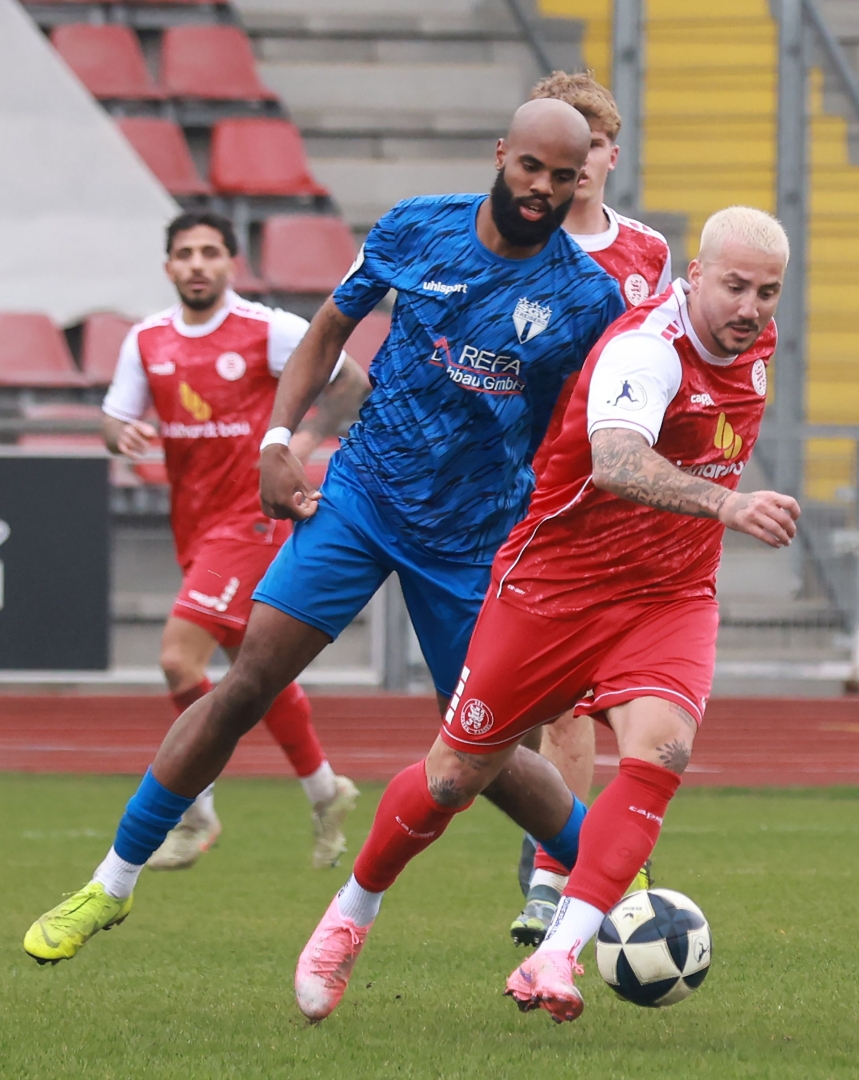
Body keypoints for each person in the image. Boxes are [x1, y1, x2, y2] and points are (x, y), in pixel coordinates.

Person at [23, 97, 625, 966]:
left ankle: (622, 882)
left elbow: (589, 427)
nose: (541, 188)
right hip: (362, 499)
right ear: (501, 154)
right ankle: (110, 883)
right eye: (530, 166)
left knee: (480, 749)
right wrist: (279, 440)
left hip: (472, 537)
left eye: (562, 177)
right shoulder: (417, 227)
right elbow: (331, 328)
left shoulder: (586, 297)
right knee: (245, 684)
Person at [291, 206, 799, 1023]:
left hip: (666, 596)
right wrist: (727, 506)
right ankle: (351, 911)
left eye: (766, 293)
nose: (749, 308)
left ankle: (558, 953)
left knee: (660, 752)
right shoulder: (646, 348)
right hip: (553, 591)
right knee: (453, 777)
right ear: (694, 275)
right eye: (734, 286)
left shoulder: (757, 344)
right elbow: (617, 460)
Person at [101, 210, 369, 871]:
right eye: (185, 253)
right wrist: (121, 434)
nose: (197, 264)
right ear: (168, 266)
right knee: (256, 672)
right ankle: (324, 790)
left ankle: (193, 811)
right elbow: (112, 418)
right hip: (194, 528)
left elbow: (352, 381)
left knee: (177, 660)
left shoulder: (267, 329)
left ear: (231, 263)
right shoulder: (148, 339)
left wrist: (303, 441)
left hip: (250, 520)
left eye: (209, 252)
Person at [511, 70, 674, 948]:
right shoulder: (516, 246)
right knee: (556, 699)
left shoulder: (647, 252)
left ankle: (571, 868)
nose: (579, 163)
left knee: (622, 698)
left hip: (618, 498)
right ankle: (558, 869)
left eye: (594, 145)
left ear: (610, 154)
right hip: (530, 491)